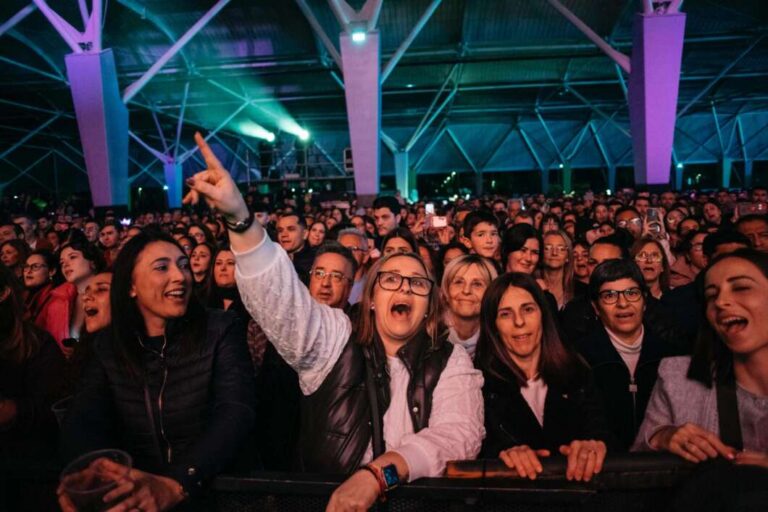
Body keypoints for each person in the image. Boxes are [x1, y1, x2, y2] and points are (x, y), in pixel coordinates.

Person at [184, 133, 483, 510]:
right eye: (390, 279)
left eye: (418, 283)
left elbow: (458, 436)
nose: (404, 289)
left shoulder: (451, 359)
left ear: (429, 303)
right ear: (371, 298)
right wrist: (240, 219)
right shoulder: (335, 341)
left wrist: (379, 475)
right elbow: (281, 300)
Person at [59, 231, 256, 511]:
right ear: (131, 286)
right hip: (137, 497)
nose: (180, 276)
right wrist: (93, 470)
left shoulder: (220, 328)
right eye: (162, 267)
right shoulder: (109, 345)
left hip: (214, 496)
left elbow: (235, 411)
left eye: (183, 265)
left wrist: (178, 482)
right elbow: (82, 417)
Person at [634, 249, 768, 471]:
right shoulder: (677, 376)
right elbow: (635, 469)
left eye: (742, 288)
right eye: (711, 295)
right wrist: (664, 436)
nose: (721, 301)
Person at [476, 272, 614, 481]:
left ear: (543, 314)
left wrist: (596, 443)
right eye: (505, 314)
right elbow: (475, 449)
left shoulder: (578, 371)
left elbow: (601, 429)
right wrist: (501, 455)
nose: (519, 322)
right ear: (493, 325)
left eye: (528, 309)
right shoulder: (479, 385)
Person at [577, 259, 670, 450]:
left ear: (645, 301)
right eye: (609, 295)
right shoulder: (578, 358)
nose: (623, 303)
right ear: (596, 307)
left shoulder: (671, 356)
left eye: (632, 293)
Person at [0, 265, 66, 509]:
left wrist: (15, 411)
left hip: (25, 477)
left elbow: (58, 409)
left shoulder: (37, 345)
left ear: (3, 292)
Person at [440, 255, 498, 359]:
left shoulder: (499, 339)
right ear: (446, 290)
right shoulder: (429, 334)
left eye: (477, 284)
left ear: (491, 292)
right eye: (458, 282)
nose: (466, 291)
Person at [276, 212, 315, 282]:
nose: (284, 235)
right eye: (280, 230)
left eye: (291, 229)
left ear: (305, 234)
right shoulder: (272, 260)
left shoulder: (316, 262)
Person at [540, 230, 574, 310]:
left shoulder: (580, 290)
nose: (554, 253)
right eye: (547, 248)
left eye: (561, 249)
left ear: (568, 256)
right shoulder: (532, 285)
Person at [337, 228, 370, 305]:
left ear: (365, 256)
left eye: (353, 249)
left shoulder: (371, 286)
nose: (347, 253)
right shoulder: (327, 282)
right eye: (342, 249)